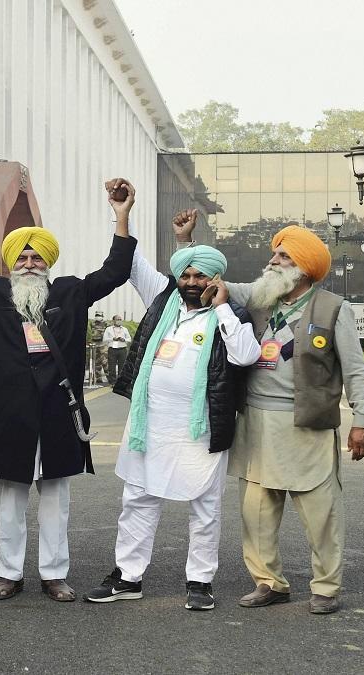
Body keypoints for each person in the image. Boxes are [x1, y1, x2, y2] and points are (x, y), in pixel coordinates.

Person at [0, 181, 136, 603]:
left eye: (37, 257)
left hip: (56, 413)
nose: (29, 263)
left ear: (48, 261)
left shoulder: (70, 291)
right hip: (7, 415)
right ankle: (8, 574)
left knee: (55, 501)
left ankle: (54, 574)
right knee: (9, 501)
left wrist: (121, 216)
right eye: (22, 257)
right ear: (11, 263)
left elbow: (116, 271)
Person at [177, 210, 364, 615]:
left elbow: (356, 369)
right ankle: (268, 583)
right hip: (255, 422)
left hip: (306, 425)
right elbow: (212, 283)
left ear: (304, 267)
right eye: (275, 254)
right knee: (257, 513)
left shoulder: (332, 309)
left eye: (283, 256)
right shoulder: (260, 297)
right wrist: (187, 244)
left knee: (321, 514)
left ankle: (326, 587)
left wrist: (363, 421)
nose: (273, 261)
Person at [85, 191, 260, 611]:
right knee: (137, 501)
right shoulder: (163, 300)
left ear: (216, 280)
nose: (192, 282)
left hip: (201, 428)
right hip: (150, 425)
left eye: (202, 276)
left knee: (205, 506)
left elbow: (245, 355)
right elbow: (132, 264)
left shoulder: (232, 314)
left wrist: (222, 309)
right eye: (187, 275)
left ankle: (200, 582)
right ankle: (128, 577)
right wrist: (122, 214)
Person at [102, 314, 132, 385]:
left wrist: (124, 339)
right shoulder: (108, 329)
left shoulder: (124, 329)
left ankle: (120, 382)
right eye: (117, 319)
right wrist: (112, 339)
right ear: (113, 321)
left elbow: (129, 339)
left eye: (120, 319)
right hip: (112, 349)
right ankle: (112, 382)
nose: (119, 321)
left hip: (122, 349)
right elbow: (104, 340)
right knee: (111, 366)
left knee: (122, 366)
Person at [89, 311, 109, 384]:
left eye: (99, 315)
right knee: (97, 362)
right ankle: (98, 378)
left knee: (105, 362)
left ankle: (109, 378)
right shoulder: (92, 323)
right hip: (95, 344)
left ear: (102, 316)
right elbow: (92, 332)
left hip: (103, 345)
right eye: (97, 315)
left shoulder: (106, 324)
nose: (98, 316)